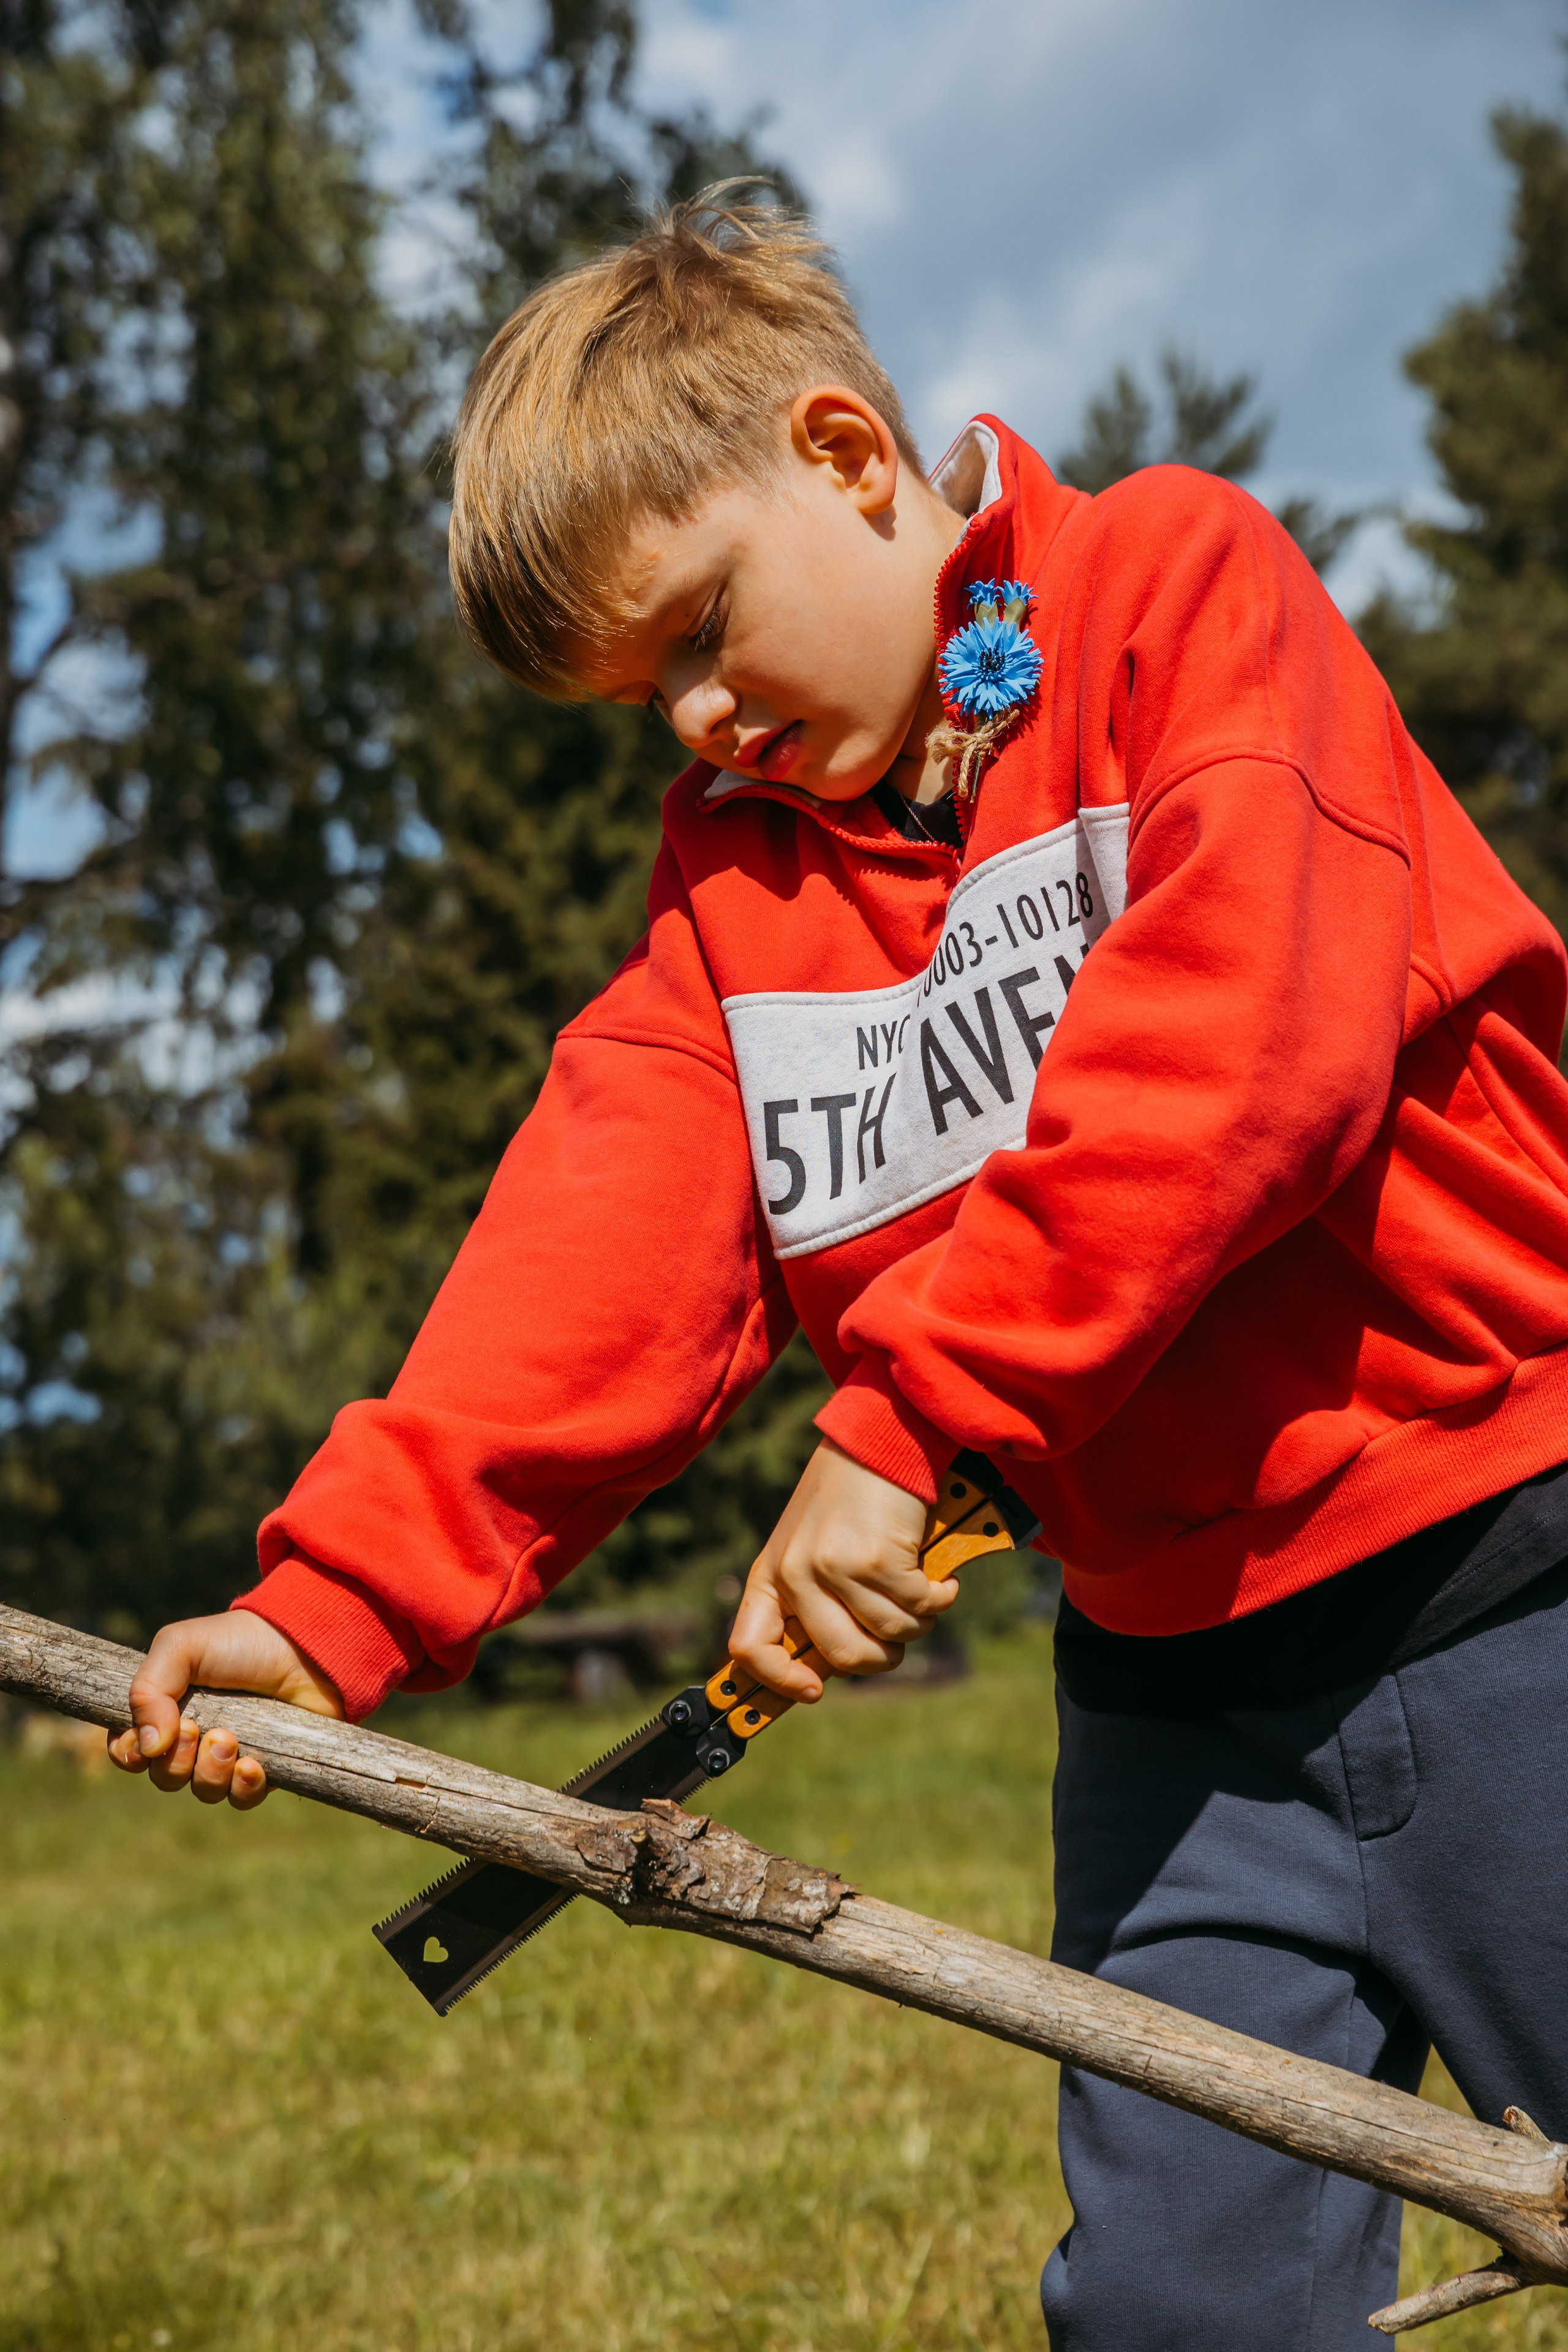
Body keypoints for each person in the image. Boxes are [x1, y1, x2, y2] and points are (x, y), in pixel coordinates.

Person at [108, 191, 1568, 2348]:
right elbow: (592, 1253)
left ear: (848, 454)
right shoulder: (736, 903)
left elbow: (1239, 1042)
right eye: (644, 697)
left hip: (1515, 1598)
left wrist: (909, 1423)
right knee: (1177, 2314)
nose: (698, 716)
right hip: (1177, 1723)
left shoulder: (1175, 594)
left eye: (704, 626)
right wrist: (324, 1607)